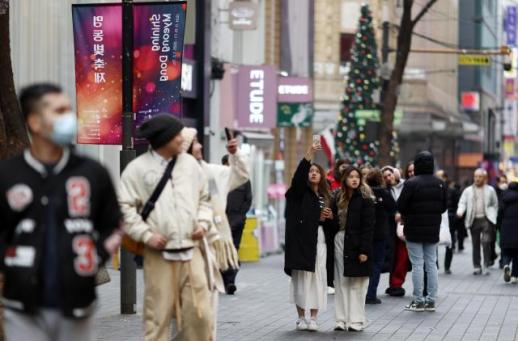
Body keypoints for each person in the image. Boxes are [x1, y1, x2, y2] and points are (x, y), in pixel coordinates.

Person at [0, 83, 122, 340]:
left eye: (69, 109)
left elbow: (114, 224)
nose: (70, 117)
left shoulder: (92, 173)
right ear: (34, 122)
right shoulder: (8, 174)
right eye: (60, 111)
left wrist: (93, 259)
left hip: (78, 303)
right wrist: (8, 266)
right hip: (22, 306)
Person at [119, 115, 214, 341]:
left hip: (192, 253)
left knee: (200, 316)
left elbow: (205, 199)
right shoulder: (137, 169)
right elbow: (124, 208)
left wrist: (203, 222)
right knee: (157, 317)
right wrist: (146, 235)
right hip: (158, 255)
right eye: (177, 135)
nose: (182, 139)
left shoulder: (190, 165)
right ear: (164, 139)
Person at [284, 143, 334, 332]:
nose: (313, 173)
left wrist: (329, 218)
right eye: (310, 171)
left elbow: (331, 224)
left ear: (322, 176)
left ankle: (313, 318)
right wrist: (308, 155)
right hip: (301, 243)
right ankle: (301, 317)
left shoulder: (326, 195)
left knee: (317, 278)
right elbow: (297, 179)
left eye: (317, 171)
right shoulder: (298, 192)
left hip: (319, 242)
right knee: (301, 279)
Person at [397, 151, 447, 312]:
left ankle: (418, 300)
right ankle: (431, 300)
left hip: (413, 228)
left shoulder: (411, 183)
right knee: (431, 264)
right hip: (432, 228)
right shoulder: (440, 183)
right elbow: (444, 206)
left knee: (417, 264)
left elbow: (401, 205)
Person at [330, 166, 375, 331]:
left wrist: (364, 250)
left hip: (358, 243)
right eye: (351, 177)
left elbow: (369, 227)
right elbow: (335, 225)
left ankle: (356, 320)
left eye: (357, 176)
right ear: (344, 180)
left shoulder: (366, 198)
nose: (355, 179)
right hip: (340, 241)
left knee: (358, 282)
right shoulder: (337, 197)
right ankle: (341, 319)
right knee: (341, 281)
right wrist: (330, 218)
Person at [220, 154, 253, 294]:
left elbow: (248, 199)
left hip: (237, 222)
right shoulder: (218, 179)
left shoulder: (244, 180)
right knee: (221, 252)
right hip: (220, 222)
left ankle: (230, 282)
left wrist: (240, 217)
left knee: (233, 251)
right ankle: (223, 280)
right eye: (228, 164)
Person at [457, 169, 499, 275]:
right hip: (473, 220)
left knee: (485, 242)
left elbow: (495, 204)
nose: (477, 178)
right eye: (476, 176)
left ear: (484, 178)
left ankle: (486, 265)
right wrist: (460, 211)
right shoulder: (468, 190)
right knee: (475, 244)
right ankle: (477, 266)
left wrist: (493, 215)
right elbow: (462, 202)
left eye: (480, 176)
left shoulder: (490, 190)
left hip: (486, 220)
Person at [365, 168, 396, 304]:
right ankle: (371, 294)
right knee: (377, 263)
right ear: (380, 179)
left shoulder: (364, 193)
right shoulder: (384, 193)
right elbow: (393, 209)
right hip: (381, 233)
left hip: (366, 233)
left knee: (365, 263)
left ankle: (362, 292)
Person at [382, 166, 408, 297]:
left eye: (390, 174)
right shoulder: (384, 191)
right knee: (391, 256)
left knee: (402, 257)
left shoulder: (406, 186)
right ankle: (393, 284)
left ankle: (397, 284)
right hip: (390, 228)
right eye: (385, 176)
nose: (388, 177)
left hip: (403, 227)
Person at [436, 170, 461, 274]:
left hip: (450, 220)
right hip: (436, 219)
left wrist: (454, 217)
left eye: (440, 176)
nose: (437, 178)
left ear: (445, 178)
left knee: (449, 244)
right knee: (433, 242)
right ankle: (435, 264)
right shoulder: (433, 190)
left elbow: (457, 205)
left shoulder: (452, 191)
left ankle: (447, 266)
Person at [500, 181, 518, 283]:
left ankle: (506, 265)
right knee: (517, 254)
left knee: (506, 250)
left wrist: (498, 226)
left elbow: (500, 212)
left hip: (506, 227)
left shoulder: (504, 197)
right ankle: (514, 276)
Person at [495, 175, 508, 268]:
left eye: (504, 182)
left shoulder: (508, 193)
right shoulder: (494, 191)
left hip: (504, 222)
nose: (503, 184)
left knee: (503, 242)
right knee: (496, 241)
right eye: (501, 182)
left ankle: (502, 261)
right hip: (495, 220)